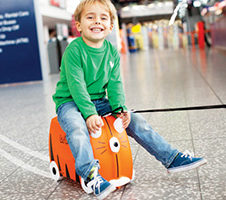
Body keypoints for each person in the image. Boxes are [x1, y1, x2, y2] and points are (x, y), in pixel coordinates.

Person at [52, 0, 207, 199]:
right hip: (70, 102)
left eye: (103, 18)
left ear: (110, 26)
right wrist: (89, 114)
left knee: (136, 120)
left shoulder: (111, 52)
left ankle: (171, 158)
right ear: (79, 25)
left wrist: (120, 110)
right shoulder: (74, 50)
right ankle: (90, 174)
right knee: (76, 126)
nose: (97, 21)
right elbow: (77, 86)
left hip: (98, 100)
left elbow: (115, 85)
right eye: (90, 17)